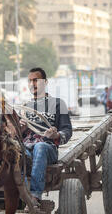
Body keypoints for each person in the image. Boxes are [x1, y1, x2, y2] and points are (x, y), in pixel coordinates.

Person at [19, 67, 73, 206]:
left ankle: (35, 196)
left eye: (36, 80)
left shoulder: (58, 104)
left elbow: (67, 130)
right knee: (14, 151)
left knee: (40, 147)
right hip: (26, 148)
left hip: (47, 148)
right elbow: (16, 134)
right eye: (30, 81)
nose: (32, 84)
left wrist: (56, 134)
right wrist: (21, 129)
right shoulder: (25, 107)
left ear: (45, 82)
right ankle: (23, 196)